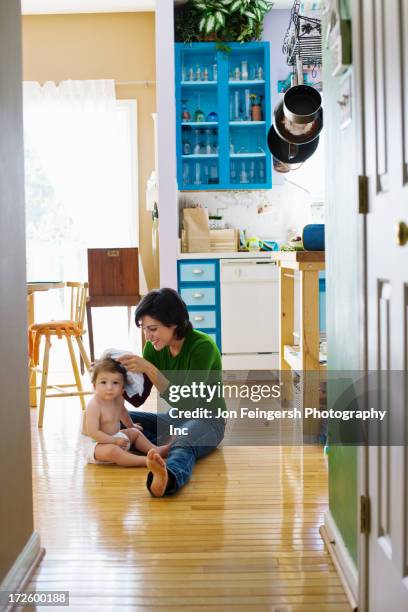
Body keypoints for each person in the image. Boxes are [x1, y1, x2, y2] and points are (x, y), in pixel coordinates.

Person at [117, 288, 226, 497]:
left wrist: (149, 368)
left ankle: (167, 478)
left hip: (209, 420)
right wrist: (114, 377)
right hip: (176, 418)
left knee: (184, 442)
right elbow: (139, 398)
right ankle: (158, 444)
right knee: (116, 419)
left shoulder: (203, 347)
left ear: (174, 323)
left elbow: (187, 402)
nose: (148, 336)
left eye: (153, 329)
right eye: (144, 329)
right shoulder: (153, 349)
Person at [83, 357, 170, 466]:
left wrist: (131, 425)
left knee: (135, 433)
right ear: (94, 385)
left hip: (116, 438)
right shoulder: (94, 405)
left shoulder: (118, 399)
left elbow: (123, 413)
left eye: (115, 382)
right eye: (103, 382)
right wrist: (114, 441)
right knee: (113, 451)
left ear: (122, 388)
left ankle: (156, 450)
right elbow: (93, 433)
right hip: (96, 446)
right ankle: (146, 461)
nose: (109, 387)